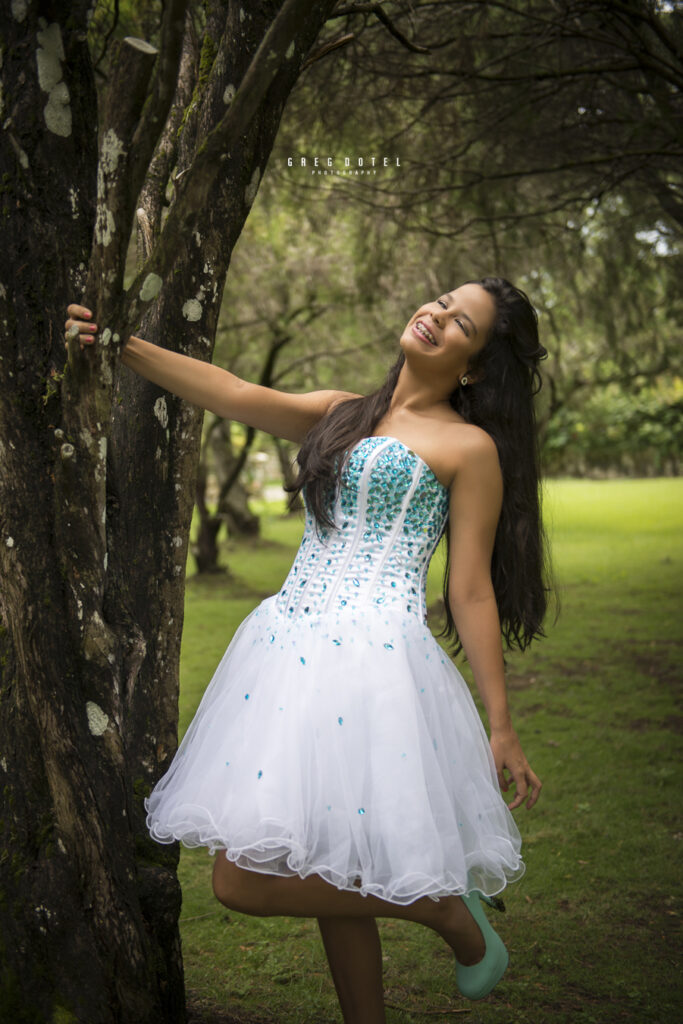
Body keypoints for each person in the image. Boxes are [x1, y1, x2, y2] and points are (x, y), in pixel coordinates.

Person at [65, 277, 548, 1024]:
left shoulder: (468, 447)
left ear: (474, 368)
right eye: (439, 303)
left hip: (376, 664)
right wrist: (114, 343)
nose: (435, 317)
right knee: (320, 858)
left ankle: (445, 913)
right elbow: (227, 391)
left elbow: (471, 591)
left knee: (240, 883)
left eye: (459, 326)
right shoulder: (340, 413)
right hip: (286, 651)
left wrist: (500, 721)